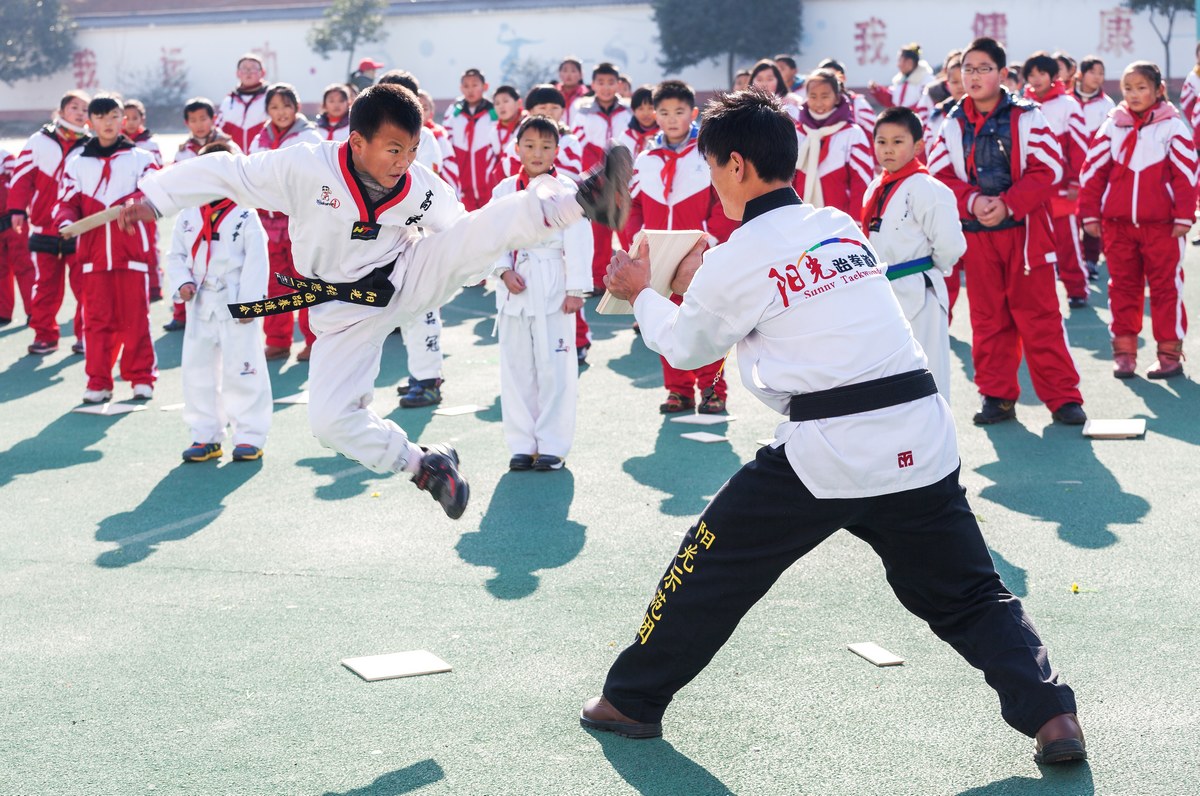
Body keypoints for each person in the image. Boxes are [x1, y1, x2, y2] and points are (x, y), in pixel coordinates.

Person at [581, 89, 1087, 769]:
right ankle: (1053, 714)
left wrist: (643, 290)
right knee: (969, 594)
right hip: (919, 433)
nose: (711, 182)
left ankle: (630, 701)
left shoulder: (740, 254)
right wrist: (707, 277)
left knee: (711, 565)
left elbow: (687, 349)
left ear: (734, 166)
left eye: (710, 167)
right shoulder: (838, 224)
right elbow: (782, 296)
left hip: (830, 447)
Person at [120, 83, 632, 520]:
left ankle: (584, 197)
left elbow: (466, 228)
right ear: (357, 140)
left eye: (411, 150)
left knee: (480, 224)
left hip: (407, 273)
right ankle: (423, 465)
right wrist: (155, 197)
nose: (403, 163)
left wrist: (481, 265)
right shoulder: (303, 167)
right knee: (327, 421)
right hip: (344, 314)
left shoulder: (418, 185)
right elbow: (227, 172)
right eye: (392, 150)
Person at [927, 37, 1086, 426]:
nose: (974, 76)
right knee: (987, 317)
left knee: (1041, 317)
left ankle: (1063, 398)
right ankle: (997, 396)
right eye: (968, 69)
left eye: (983, 68)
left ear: (1002, 74)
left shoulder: (1028, 114)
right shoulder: (950, 120)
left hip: (1026, 233)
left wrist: (1008, 203)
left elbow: (1048, 167)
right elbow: (939, 171)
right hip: (978, 236)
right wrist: (973, 202)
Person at [620, 79, 736, 415]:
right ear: (654, 114)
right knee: (665, 321)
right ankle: (678, 390)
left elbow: (722, 201)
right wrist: (641, 240)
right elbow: (633, 204)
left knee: (705, 321)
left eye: (680, 112)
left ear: (693, 113)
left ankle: (713, 390)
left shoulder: (707, 153)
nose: (672, 119)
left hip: (700, 254)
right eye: (665, 112)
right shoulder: (645, 159)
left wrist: (708, 241)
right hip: (658, 255)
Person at [1080, 61, 1196, 379]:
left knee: (1165, 288)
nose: (1133, 94)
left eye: (1141, 88)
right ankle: (1125, 353)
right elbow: (1092, 171)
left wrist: (1184, 216)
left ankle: (1169, 354)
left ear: (1159, 90)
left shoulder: (1173, 125)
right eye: (1128, 88)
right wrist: (1089, 213)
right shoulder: (1113, 124)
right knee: (1121, 288)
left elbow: (1187, 175)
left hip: (1162, 227)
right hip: (1117, 226)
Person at [490, 116, 593, 471]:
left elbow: (580, 240)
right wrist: (503, 270)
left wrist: (576, 289)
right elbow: (492, 235)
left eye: (546, 146)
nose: (537, 153)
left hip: (552, 283)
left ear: (557, 151)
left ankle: (553, 445)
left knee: (555, 368)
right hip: (515, 287)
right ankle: (522, 444)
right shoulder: (504, 190)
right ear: (516, 147)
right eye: (530, 145)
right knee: (516, 368)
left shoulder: (568, 189)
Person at [166, 142, 273, 462]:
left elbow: (258, 261)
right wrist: (182, 281)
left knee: (243, 368)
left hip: (235, 299)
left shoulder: (244, 214)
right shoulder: (188, 214)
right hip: (201, 299)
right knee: (197, 371)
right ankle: (205, 435)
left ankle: (250, 435)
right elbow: (176, 255)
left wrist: (250, 304)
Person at [53, 94, 160, 403]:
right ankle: (98, 382)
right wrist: (65, 220)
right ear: (91, 122)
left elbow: (154, 190)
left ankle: (142, 378)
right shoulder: (76, 162)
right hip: (92, 257)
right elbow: (66, 202)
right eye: (100, 117)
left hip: (132, 255)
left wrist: (133, 203)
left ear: (122, 120)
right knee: (97, 322)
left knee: (136, 318)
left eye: (113, 116)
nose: (108, 123)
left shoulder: (141, 157)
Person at [863, 106, 967, 400]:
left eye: (898, 141)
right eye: (881, 142)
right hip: (883, 291)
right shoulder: (875, 187)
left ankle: (936, 444)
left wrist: (927, 269)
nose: (888, 149)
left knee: (927, 371)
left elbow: (951, 246)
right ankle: (897, 443)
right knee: (887, 373)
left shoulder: (928, 188)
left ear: (918, 146)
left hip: (919, 287)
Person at [7, 90, 91, 356]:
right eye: (75, 107)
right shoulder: (39, 140)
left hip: (79, 228)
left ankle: (85, 336)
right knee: (44, 287)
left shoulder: (92, 144)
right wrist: (17, 209)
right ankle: (45, 336)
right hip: (44, 227)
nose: (80, 113)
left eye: (85, 109)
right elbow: (22, 176)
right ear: (62, 111)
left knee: (84, 287)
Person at [251, 83, 323, 362]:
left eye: (286, 106)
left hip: (299, 221)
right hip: (267, 221)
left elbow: (313, 178)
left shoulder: (309, 138)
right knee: (274, 283)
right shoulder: (260, 137)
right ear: (267, 110)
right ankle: (278, 340)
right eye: (274, 107)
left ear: (297, 108)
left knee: (305, 281)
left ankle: (313, 340)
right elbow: (255, 174)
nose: (280, 112)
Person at [1023, 52, 1090, 309]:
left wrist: (1075, 181)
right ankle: (1040, 294)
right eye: (1031, 74)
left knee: (1068, 242)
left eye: (1042, 73)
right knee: (1035, 245)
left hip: (1061, 189)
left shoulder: (1068, 104)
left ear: (1053, 77)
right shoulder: (1020, 105)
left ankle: (1077, 289)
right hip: (1031, 191)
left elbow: (1079, 147)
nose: (1036, 79)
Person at [572, 62, 631, 292]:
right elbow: (578, 147)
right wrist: (588, 177)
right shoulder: (583, 112)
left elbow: (631, 144)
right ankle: (598, 280)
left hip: (623, 181)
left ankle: (630, 280)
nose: (606, 88)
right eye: (601, 83)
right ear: (593, 84)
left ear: (619, 84)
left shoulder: (627, 111)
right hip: (596, 183)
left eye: (611, 83)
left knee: (626, 232)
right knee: (599, 233)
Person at [793, 69, 873, 217]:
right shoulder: (796, 133)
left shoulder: (852, 134)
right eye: (813, 96)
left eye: (825, 96)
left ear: (837, 98)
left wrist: (856, 221)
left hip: (840, 221)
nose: (818, 103)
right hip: (802, 220)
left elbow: (861, 182)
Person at [1072, 56, 1115, 280]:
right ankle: (1073, 260)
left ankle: (1090, 260)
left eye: (1101, 73)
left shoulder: (1107, 104)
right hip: (1069, 170)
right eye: (1093, 72)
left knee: (1091, 213)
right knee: (1070, 218)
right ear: (1081, 74)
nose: (1098, 77)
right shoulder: (1068, 101)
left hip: (1097, 171)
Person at [443, 68, 498, 212]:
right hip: (462, 169)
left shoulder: (493, 111)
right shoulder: (454, 111)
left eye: (475, 85)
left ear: (485, 87)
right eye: (466, 86)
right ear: (461, 88)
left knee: (489, 213)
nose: (470, 90)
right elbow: (446, 138)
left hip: (486, 171)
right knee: (466, 215)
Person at [0, 148, 35, 328]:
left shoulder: (6, 157)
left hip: (13, 221)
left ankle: (33, 311)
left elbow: (19, 185)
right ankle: (3, 312)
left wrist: (19, 210)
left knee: (24, 266)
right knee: (1, 270)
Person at [868, 43, 936, 122]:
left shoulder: (927, 80)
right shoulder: (900, 80)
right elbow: (891, 101)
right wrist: (877, 90)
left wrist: (904, 115)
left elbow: (925, 105)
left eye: (900, 60)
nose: (898, 65)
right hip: (902, 124)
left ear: (909, 62)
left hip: (917, 125)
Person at [216, 53, 270, 153]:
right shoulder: (228, 101)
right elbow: (216, 130)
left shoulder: (271, 97)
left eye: (253, 68)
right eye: (244, 68)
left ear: (262, 73)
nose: (248, 72)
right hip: (235, 160)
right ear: (238, 73)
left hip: (263, 158)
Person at [817, 58, 876, 141]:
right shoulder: (812, 107)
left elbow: (874, 136)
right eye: (821, 79)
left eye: (831, 78)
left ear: (843, 78)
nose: (826, 83)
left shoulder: (857, 104)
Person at [488, 85, 525, 183]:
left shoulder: (528, 125)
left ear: (518, 103)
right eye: (497, 103)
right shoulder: (494, 132)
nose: (501, 106)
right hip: (505, 182)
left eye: (505, 101)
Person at [616, 85, 659, 156]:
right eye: (640, 108)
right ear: (633, 110)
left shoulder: (664, 136)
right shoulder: (626, 137)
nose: (646, 113)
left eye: (650, 108)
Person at [557, 57, 589, 127]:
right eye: (565, 71)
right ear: (559, 74)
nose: (568, 74)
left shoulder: (587, 96)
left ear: (581, 75)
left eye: (573, 71)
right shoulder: (554, 95)